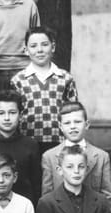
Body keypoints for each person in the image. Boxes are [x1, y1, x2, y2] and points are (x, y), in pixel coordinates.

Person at [11, 26, 78, 155]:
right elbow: (14, 114)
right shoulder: (17, 80)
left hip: (59, 143)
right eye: (33, 46)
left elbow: (74, 113)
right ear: (26, 50)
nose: (40, 50)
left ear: (53, 47)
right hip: (27, 143)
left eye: (44, 44)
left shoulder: (65, 78)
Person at [0, 89, 41, 204]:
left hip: (23, 206)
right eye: (1, 113)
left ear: (20, 116)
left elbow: (36, 184)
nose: (7, 118)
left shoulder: (31, 145)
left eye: (12, 113)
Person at [41, 101, 111, 201]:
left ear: (86, 124)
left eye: (78, 122)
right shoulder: (49, 156)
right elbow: (47, 196)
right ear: (61, 127)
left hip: (92, 209)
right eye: (67, 123)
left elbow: (107, 195)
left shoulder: (102, 156)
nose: (72, 126)